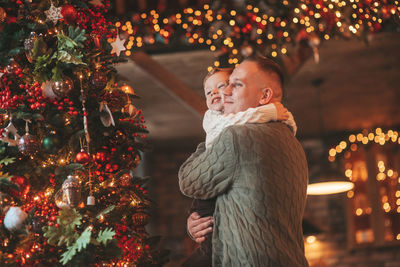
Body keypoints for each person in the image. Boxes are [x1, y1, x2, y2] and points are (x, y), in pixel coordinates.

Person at [179, 56, 309, 267]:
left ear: (264, 95)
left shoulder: (237, 137)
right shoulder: (292, 142)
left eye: (237, 85)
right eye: (228, 83)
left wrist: (211, 137)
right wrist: (200, 223)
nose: (226, 91)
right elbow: (246, 201)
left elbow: (188, 181)